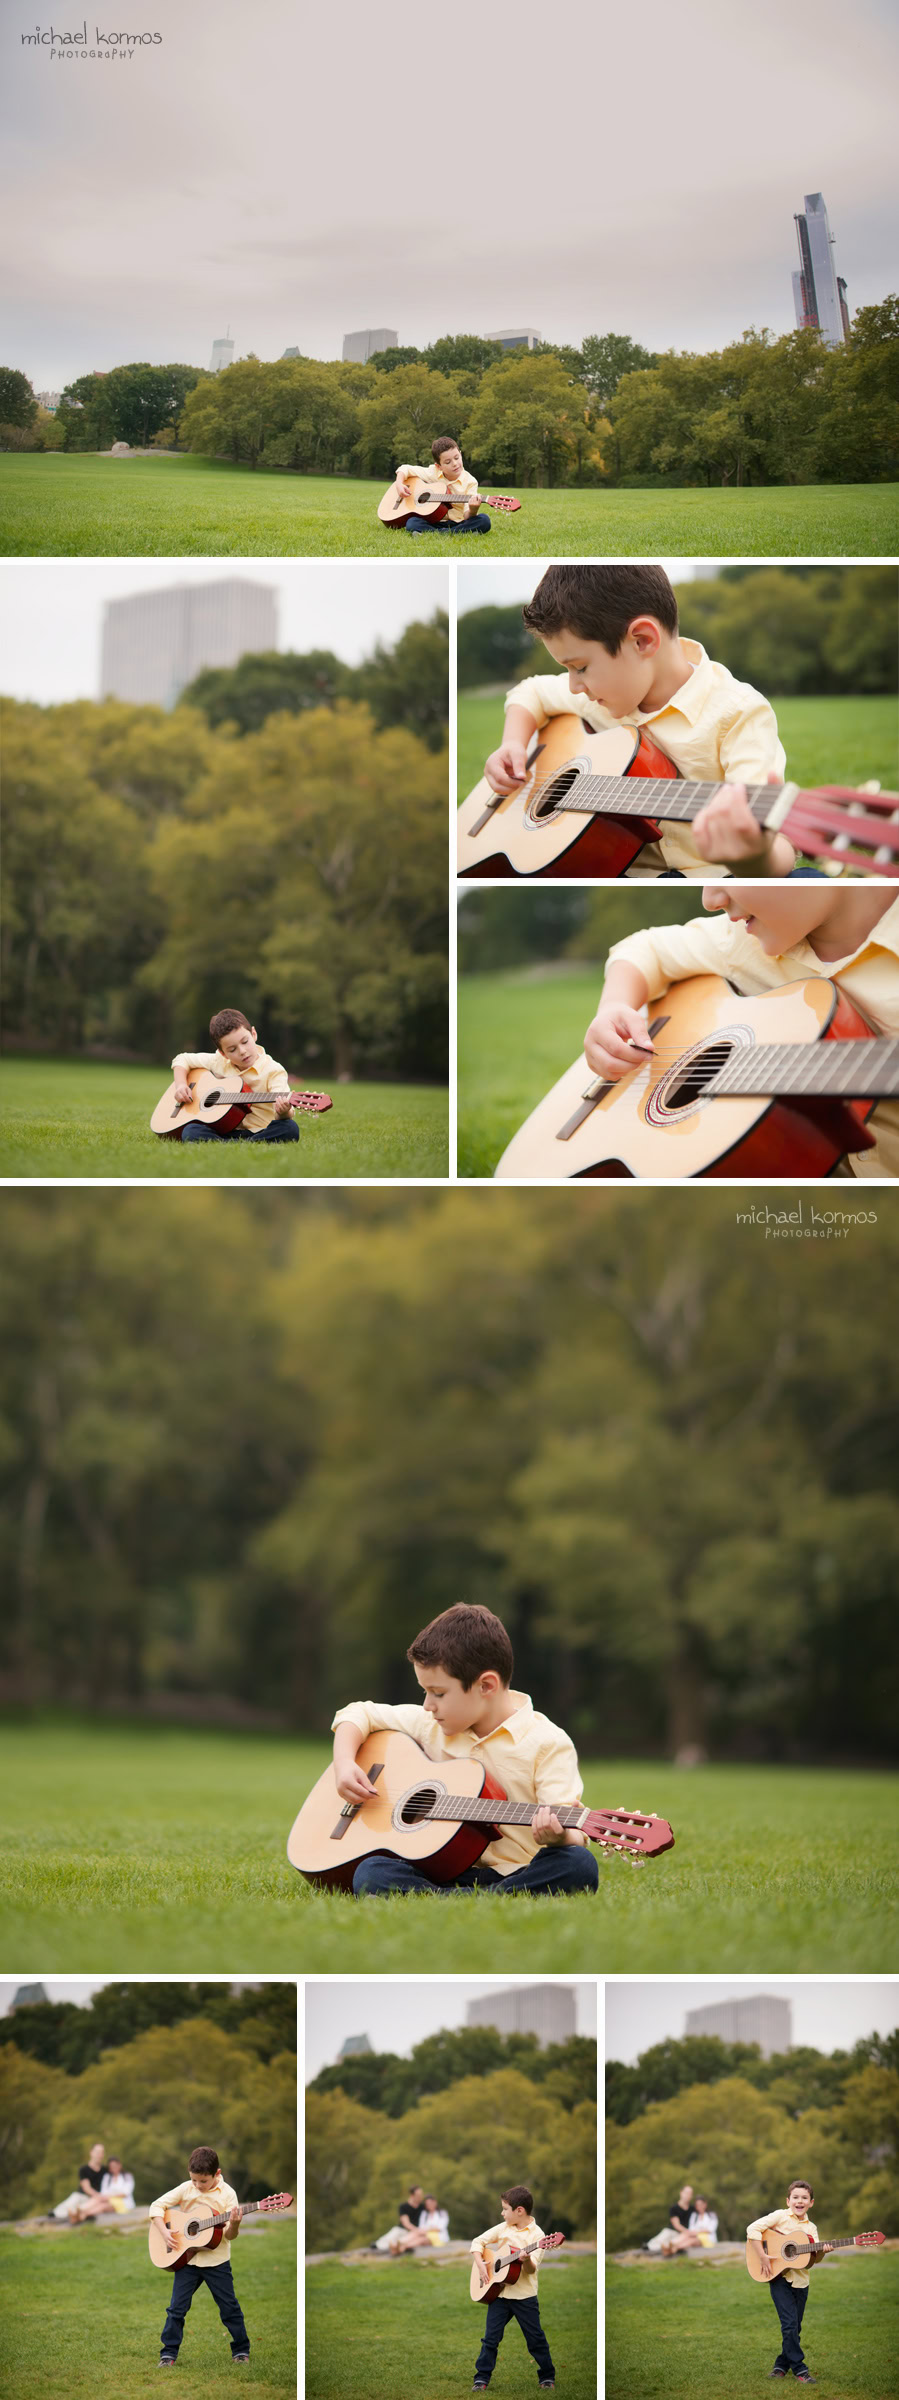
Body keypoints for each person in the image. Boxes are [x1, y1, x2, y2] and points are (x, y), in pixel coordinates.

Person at [481, 562, 794, 878]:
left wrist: (754, 854)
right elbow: (530, 691)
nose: (575, 686)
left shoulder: (739, 713)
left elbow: (768, 842)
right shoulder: (595, 695)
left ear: (642, 640)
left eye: (580, 667)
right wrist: (513, 744)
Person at [583, 882, 899, 1178]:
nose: (710, 899)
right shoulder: (741, 942)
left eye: (737, 869)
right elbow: (645, 948)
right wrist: (614, 1005)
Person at [331, 1602, 599, 1899]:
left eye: (439, 1693)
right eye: (425, 1691)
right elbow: (357, 1713)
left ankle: (449, 1899)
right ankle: (484, 1899)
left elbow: (572, 1832)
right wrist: (344, 1764)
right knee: (372, 1871)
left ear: (486, 1685)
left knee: (578, 1865)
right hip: (437, 1868)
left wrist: (560, 1835)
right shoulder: (430, 1723)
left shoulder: (548, 1743)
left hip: (519, 1871)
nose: (427, 1705)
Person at [149, 2145, 250, 2367]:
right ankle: (168, 2354)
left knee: (229, 2308)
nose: (197, 2185)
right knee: (176, 2309)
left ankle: (241, 2351)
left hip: (217, 2262)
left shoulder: (228, 2195)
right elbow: (157, 2206)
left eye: (203, 2181)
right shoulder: (186, 2189)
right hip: (187, 2260)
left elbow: (230, 2236)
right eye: (194, 2180)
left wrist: (234, 2223)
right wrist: (165, 2232)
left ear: (217, 2174)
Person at [471, 2185, 555, 2391]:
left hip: (524, 2297)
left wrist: (525, 2260)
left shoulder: (539, 2236)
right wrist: (481, 2263)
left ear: (520, 2211)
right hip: (499, 2294)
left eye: (505, 2209)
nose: (502, 2213)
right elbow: (478, 2241)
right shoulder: (504, 2228)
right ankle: (481, 2379)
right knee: (490, 2339)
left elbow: (531, 2269)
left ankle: (547, 2377)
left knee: (536, 2340)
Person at [171, 1008, 299, 1145]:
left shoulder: (274, 1070)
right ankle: (245, 1144)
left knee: (289, 1129)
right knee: (191, 1131)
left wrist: (283, 1112)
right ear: (223, 1053)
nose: (242, 1051)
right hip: (224, 1130)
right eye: (232, 1050)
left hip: (261, 1130)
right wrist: (181, 1085)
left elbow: (284, 1114)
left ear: (254, 1034)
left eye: (245, 1042)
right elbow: (182, 1059)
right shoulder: (219, 1061)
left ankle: (228, 1144)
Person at [747, 2179, 831, 2384]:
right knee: (789, 2325)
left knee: (795, 2327)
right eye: (795, 2197)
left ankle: (781, 2365)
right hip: (779, 2278)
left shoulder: (811, 2228)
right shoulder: (780, 2217)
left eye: (804, 2198)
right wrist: (763, 2256)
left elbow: (811, 2261)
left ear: (811, 2202)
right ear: (788, 2200)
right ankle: (801, 2369)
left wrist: (822, 2252)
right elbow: (752, 2229)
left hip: (801, 2282)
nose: (799, 2201)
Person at [386, 436, 491, 536]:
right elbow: (405, 468)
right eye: (448, 462)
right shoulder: (433, 472)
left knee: (484, 520)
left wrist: (473, 510)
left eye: (456, 457)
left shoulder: (471, 482)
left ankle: (436, 533)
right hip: (434, 520)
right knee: (412, 522)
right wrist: (399, 484)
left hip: (459, 522)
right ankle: (458, 533)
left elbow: (468, 516)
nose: (455, 463)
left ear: (460, 454)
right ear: (439, 466)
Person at [52, 2141, 110, 2222]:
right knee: (71, 2203)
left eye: (101, 2152)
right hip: (83, 2195)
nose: (99, 2154)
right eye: (97, 2152)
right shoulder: (84, 2169)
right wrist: (98, 2196)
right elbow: (86, 2188)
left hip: (95, 2198)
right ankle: (55, 2214)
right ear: (91, 2153)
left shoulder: (105, 2171)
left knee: (86, 2206)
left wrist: (100, 2197)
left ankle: (77, 2215)